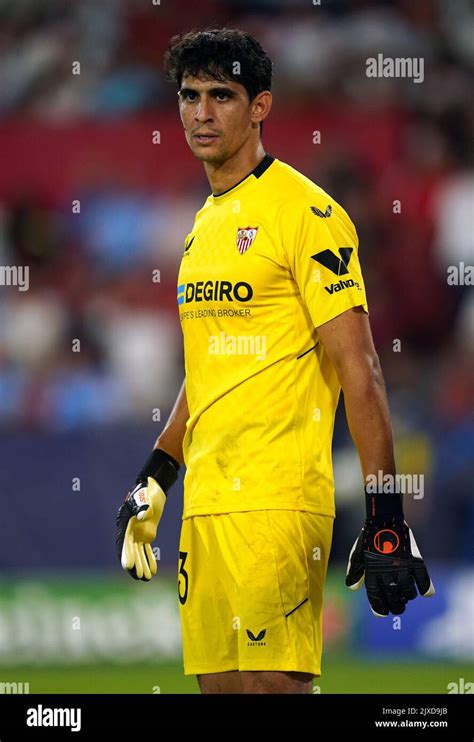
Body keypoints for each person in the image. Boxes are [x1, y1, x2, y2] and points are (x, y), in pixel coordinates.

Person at [116, 28, 434, 695]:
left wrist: (385, 517)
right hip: (206, 507)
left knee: (270, 691)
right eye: (190, 96)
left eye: (222, 97)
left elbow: (361, 370)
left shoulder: (307, 212)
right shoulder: (203, 226)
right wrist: (156, 475)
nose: (201, 113)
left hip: (278, 501)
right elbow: (205, 376)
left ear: (260, 106)